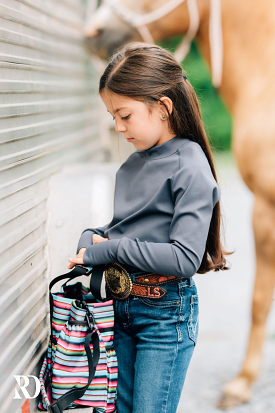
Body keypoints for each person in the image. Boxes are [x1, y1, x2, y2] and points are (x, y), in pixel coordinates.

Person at [68, 42, 232, 413]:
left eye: (124, 115)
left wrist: (108, 249)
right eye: (112, 116)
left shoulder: (189, 166)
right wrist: (92, 238)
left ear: (162, 107)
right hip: (121, 308)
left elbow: (184, 258)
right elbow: (121, 230)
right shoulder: (130, 167)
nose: (117, 126)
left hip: (165, 315)